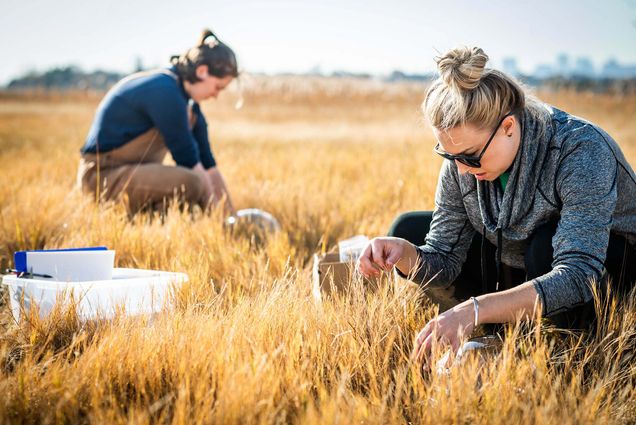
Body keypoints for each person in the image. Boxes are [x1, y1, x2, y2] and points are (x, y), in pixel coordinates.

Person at [357, 46, 636, 364]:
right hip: (519, 259)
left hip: (607, 266)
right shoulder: (462, 163)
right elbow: (445, 258)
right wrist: (406, 254)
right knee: (408, 230)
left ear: (508, 127)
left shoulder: (580, 149)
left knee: (544, 245)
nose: (461, 169)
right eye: (449, 155)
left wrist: (475, 308)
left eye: (469, 156)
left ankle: (571, 349)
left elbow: (577, 275)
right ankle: (499, 327)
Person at [77, 29, 237, 215]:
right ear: (202, 71)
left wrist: (232, 215)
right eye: (218, 87)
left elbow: (209, 166)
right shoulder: (164, 92)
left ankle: (146, 219)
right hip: (101, 178)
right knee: (193, 182)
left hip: (132, 173)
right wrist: (217, 217)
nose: (216, 95)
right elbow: (190, 162)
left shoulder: (190, 106)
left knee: (193, 195)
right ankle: (138, 215)